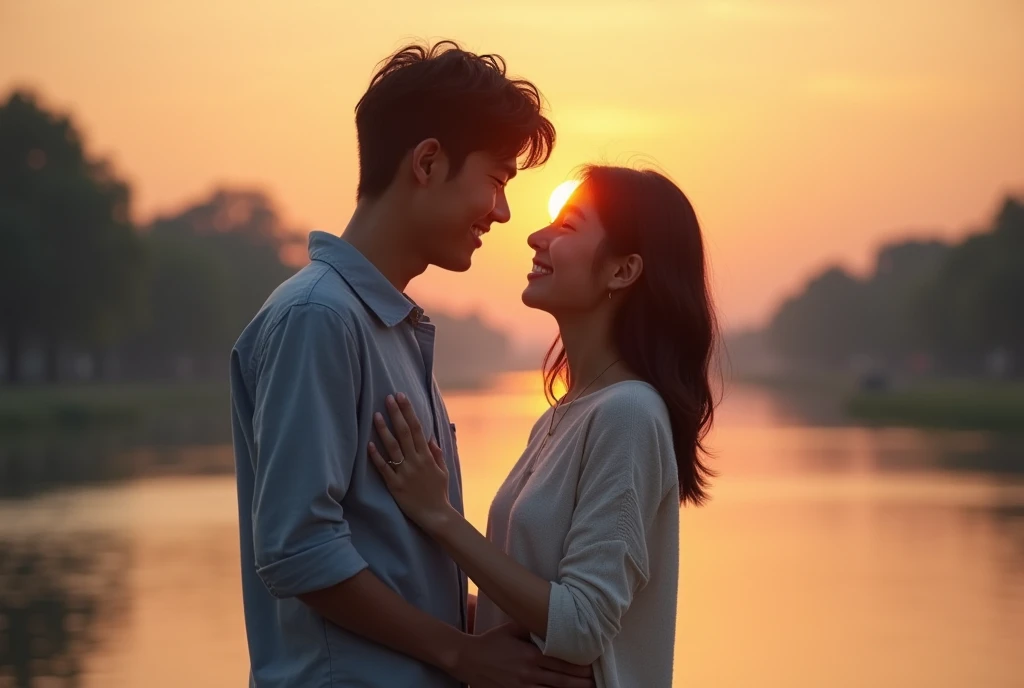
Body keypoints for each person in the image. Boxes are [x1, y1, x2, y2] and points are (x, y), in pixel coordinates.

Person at [230, 40, 595, 688]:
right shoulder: (319, 317)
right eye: (497, 179)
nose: (503, 212)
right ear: (428, 162)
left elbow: (387, 556)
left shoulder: (392, 326)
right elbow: (296, 549)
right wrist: (459, 653)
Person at [368, 165, 718, 688]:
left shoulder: (629, 414)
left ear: (622, 271)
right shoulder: (561, 417)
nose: (536, 237)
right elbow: (535, 608)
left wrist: (437, 516)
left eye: (568, 227)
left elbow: (580, 626)